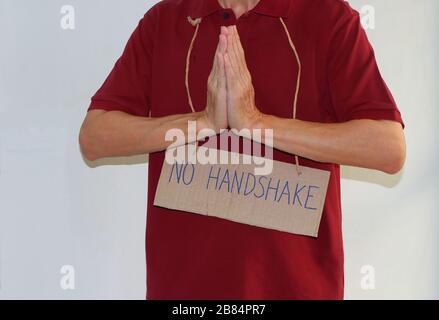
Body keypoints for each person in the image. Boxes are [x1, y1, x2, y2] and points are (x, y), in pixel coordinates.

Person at [79, 0, 406, 299]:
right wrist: (203, 122)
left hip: (299, 288)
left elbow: (387, 147)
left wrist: (254, 122)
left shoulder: (328, 17)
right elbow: (95, 137)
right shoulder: (165, 20)